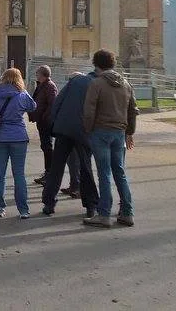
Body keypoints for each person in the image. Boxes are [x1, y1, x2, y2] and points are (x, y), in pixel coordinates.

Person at [83, 49, 138, 228]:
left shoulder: (97, 83)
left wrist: (88, 130)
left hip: (100, 131)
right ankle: (127, 212)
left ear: (96, 64)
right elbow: (132, 111)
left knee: (104, 173)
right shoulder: (126, 84)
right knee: (120, 172)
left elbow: (89, 111)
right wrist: (130, 132)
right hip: (119, 132)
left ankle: (104, 214)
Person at [41, 71, 100, 218]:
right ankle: (90, 205)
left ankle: (49, 203)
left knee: (57, 166)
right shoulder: (98, 84)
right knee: (85, 168)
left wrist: (54, 125)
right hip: (84, 130)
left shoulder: (75, 82)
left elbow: (57, 102)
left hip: (64, 129)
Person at [0, 68, 36, 218]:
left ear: (3, 78)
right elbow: (33, 106)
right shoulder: (22, 94)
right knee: (19, 175)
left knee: (0, 173)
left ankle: (0, 207)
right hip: (19, 136)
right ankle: (23, 210)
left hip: (0, 137)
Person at [29, 65, 58, 187]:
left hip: (46, 122)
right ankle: (48, 172)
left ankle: (50, 174)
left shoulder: (50, 86)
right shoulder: (42, 85)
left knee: (47, 147)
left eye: (37, 74)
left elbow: (52, 104)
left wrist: (44, 117)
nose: (36, 75)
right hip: (41, 120)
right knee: (45, 146)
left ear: (42, 75)